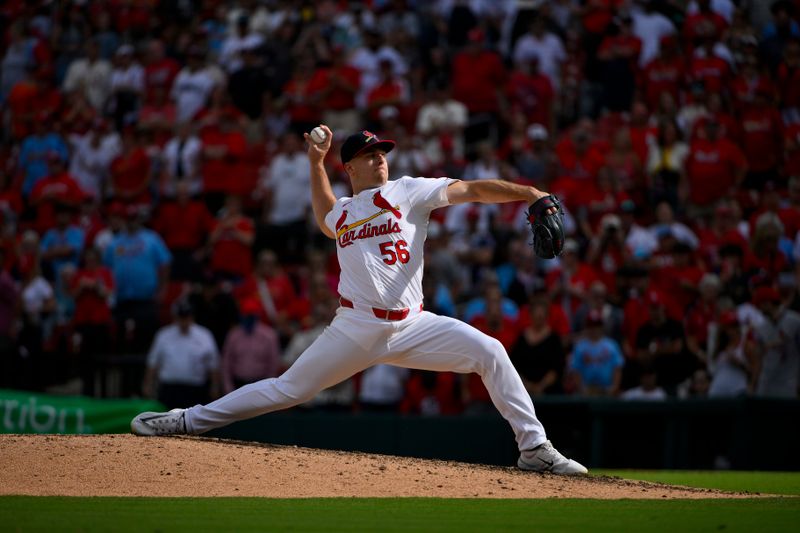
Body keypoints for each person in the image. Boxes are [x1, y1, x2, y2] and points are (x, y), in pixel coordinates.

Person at [131, 125, 588, 475]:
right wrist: (314, 163)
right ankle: (187, 420)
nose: (380, 160)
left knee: (491, 351)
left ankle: (534, 449)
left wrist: (530, 193)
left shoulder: (407, 191)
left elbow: (471, 189)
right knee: (289, 389)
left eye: (381, 153)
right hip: (355, 327)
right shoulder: (344, 213)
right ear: (350, 167)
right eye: (369, 155)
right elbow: (323, 210)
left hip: (413, 324)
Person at [143, 299, 221, 409]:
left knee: (193, 423)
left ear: (192, 317)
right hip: (169, 389)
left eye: (186, 317)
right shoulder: (164, 335)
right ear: (175, 317)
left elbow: (213, 364)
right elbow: (153, 362)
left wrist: (215, 386)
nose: (184, 321)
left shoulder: (204, 335)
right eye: (181, 317)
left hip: (195, 389)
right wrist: (148, 384)